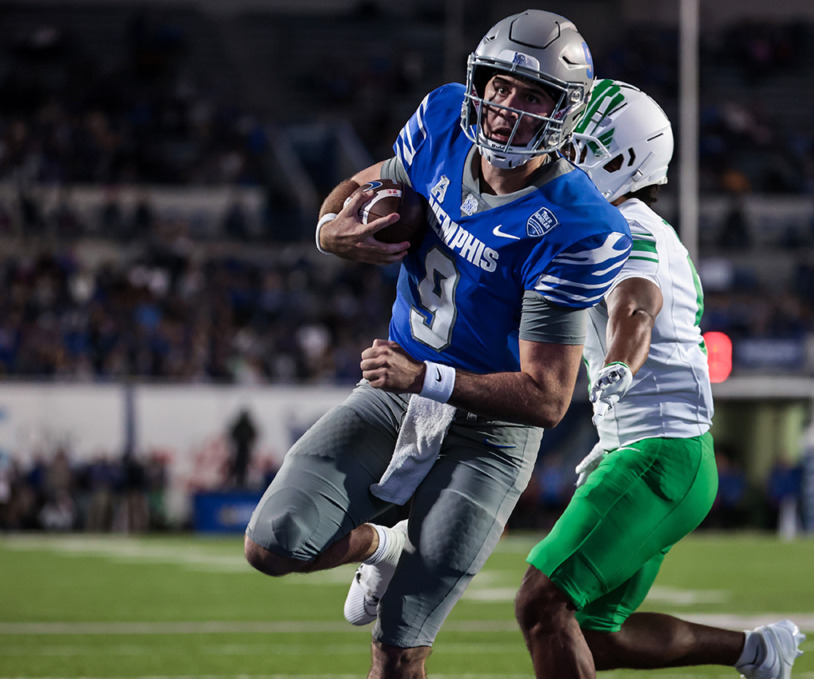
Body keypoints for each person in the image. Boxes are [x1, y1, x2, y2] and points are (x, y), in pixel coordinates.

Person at [243, 10, 632, 679]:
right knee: (272, 544)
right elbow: (363, 185)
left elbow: (546, 397)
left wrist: (425, 376)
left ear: (564, 113)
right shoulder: (444, 121)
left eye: (532, 95)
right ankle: (380, 545)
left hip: (490, 432)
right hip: (395, 397)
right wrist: (329, 229)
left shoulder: (578, 224)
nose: (507, 107)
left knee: (399, 654)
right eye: (501, 85)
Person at [513, 80, 806, 679]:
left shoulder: (630, 225)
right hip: (666, 452)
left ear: (616, 160)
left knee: (542, 602)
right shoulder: (616, 222)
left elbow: (636, 304)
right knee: (597, 636)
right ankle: (757, 652)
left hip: (659, 451)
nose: (556, 149)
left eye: (572, 139)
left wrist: (619, 362)